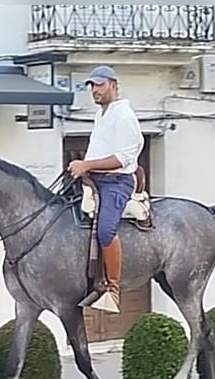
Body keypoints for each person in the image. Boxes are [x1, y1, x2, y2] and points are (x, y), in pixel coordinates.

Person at [68, 65, 144, 313]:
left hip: (117, 182)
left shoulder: (125, 117)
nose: (94, 90)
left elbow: (122, 158)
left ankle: (112, 290)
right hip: (94, 178)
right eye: (92, 86)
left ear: (113, 84)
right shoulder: (102, 114)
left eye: (99, 85)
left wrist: (86, 165)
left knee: (105, 230)